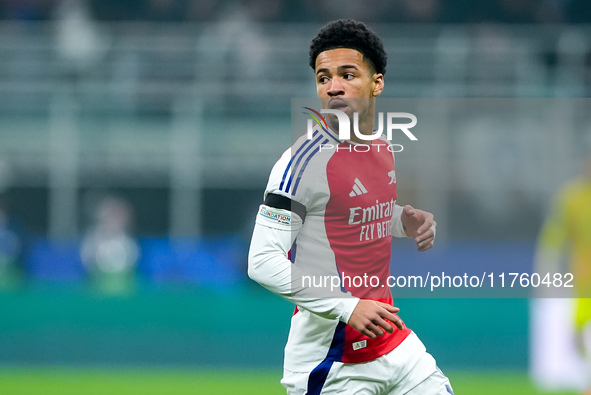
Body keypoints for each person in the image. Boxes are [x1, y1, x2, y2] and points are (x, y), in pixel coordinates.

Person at [248, 19, 453, 394]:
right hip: (332, 362)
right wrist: (348, 306)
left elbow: (347, 216)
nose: (334, 87)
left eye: (347, 74)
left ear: (377, 83)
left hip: (394, 344)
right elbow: (262, 261)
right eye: (323, 78)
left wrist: (401, 221)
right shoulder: (301, 163)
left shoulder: (381, 146)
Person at [534, 156, 591, 394]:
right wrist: (546, 271)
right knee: (578, 331)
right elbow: (553, 238)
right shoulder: (571, 197)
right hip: (583, 277)